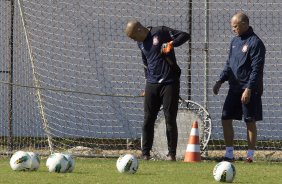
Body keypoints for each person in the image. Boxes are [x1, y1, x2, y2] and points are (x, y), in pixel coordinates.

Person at [125, 20, 190, 161]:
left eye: (133, 36)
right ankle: (145, 153)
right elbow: (146, 64)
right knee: (148, 119)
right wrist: (146, 84)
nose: (133, 40)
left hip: (170, 83)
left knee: (170, 119)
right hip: (152, 85)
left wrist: (171, 44)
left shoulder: (160, 31)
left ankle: (171, 154)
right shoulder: (140, 43)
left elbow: (185, 35)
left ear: (139, 30)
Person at [213, 12, 265, 163]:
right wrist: (220, 81)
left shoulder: (256, 43)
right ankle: (229, 154)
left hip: (249, 89)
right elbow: (229, 64)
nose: (233, 29)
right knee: (225, 118)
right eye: (232, 26)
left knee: (249, 121)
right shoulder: (234, 41)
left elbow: (257, 69)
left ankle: (249, 156)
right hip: (234, 88)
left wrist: (249, 88)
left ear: (244, 24)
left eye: (235, 26)